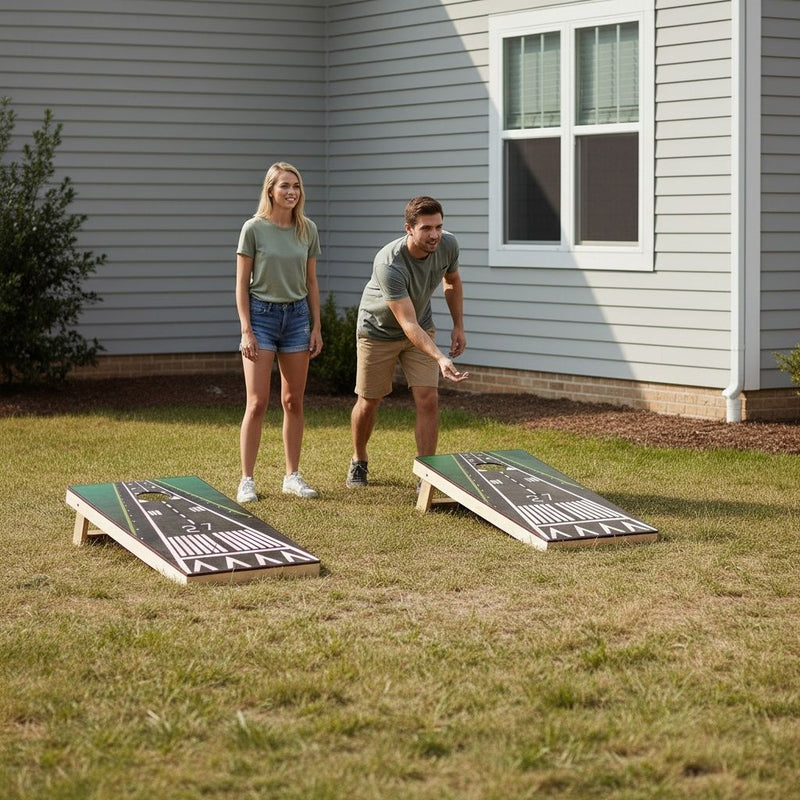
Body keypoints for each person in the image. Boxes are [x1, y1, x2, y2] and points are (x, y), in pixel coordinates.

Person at [347, 196, 468, 489]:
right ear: (409, 229)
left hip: (420, 328)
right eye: (426, 228)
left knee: (428, 399)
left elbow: (451, 281)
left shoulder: (448, 245)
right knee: (369, 401)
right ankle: (359, 459)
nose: (435, 235)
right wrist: (440, 357)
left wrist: (458, 325)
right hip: (378, 332)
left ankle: (427, 474)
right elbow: (407, 323)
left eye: (438, 226)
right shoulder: (389, 262)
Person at [235, 162, 322, 502]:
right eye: (284, 185)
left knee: (292, 401)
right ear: (270, 190)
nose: (291, 192)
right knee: (257, 403)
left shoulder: (307, 229)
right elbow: (241, 285)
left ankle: (292, 476)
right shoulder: (253, 229)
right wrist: (246, 330)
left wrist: (316, 326)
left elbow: (311, 281)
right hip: (261, 317)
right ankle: (247, 480)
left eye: (296, 186)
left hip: (297, 318)